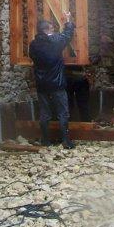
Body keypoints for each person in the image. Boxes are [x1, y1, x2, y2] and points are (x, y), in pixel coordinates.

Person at [29, 12, 76, 149]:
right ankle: (66, 141)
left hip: (42, 84)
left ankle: (45, 140)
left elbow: (33, 58)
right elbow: (67, 35)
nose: (54, 30)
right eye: (52, 28)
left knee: (45, 113)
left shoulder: (33, 45)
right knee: (63, 113)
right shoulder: (55, 41)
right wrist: (68, 21)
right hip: (57, 84)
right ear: (47, 30)